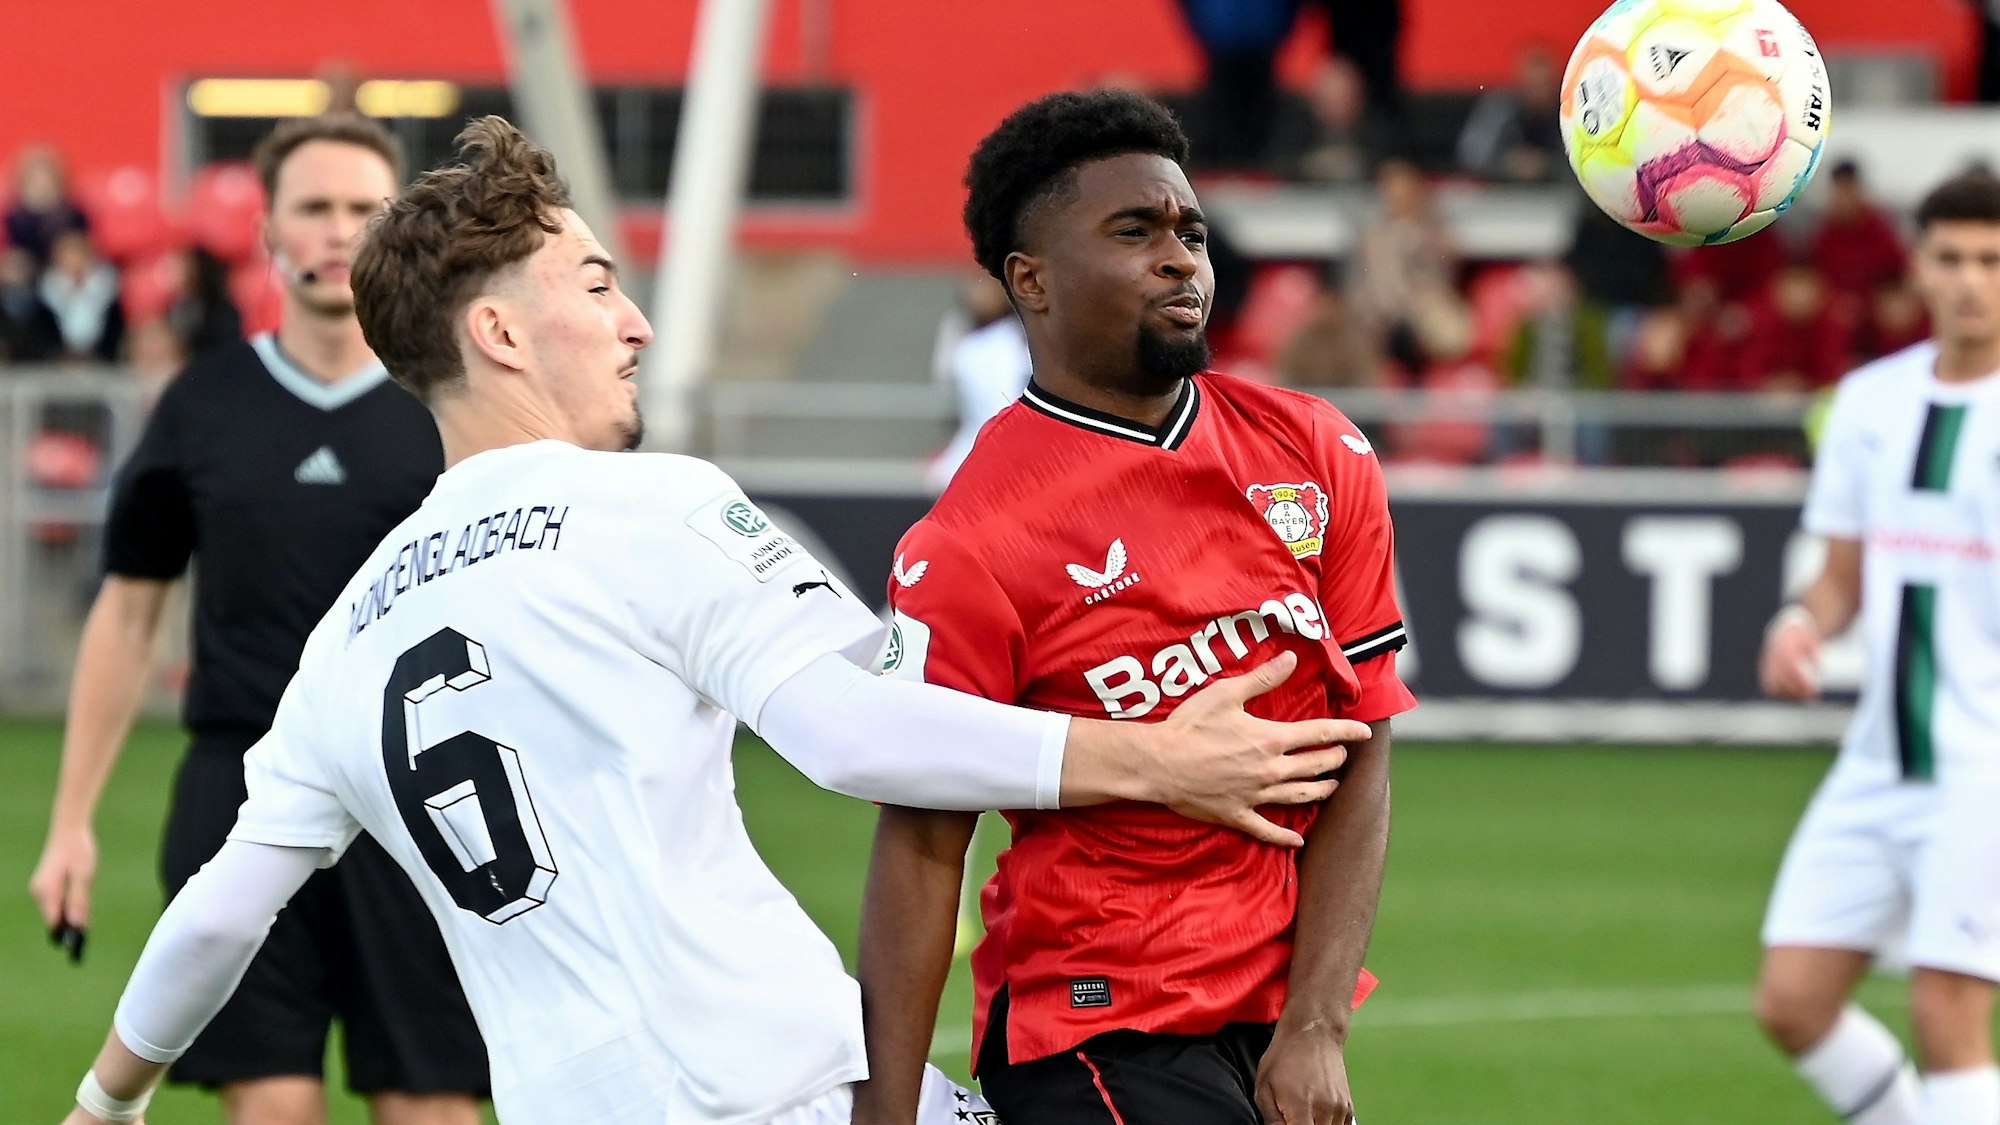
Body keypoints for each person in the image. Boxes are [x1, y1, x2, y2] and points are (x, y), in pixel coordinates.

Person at [53, 115, 1366, 1125]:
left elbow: (219, 918)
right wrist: (1158, 757)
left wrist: (106, 1097)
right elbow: (859, 735)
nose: (633, 322)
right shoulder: (645, 511)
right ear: (504, 332)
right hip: (771, 1089)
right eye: (598, 285)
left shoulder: (347, 638)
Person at [852, 90, 1411, 1125]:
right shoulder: (968, 543)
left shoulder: (1316, 453)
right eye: (1134, 231)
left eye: (1189, 232)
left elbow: (1360, 741)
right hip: (1094, 1028)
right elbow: (922, 840)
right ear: (1032, 280)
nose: (1179, 258)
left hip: (1268, 1019)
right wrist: (881, 1110)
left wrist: (1315, 1024)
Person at [29, 114, 490, 1125]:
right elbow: (128, 611)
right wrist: (70, 824)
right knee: (271, 1106)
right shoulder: (201, 405)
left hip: (416, 795)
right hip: (239, 788)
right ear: (268, 236)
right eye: (312, 209)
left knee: (432, 1107)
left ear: (396, 232)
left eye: (362, 210)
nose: (336, 232)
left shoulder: (459, 404)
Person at [1756, 172, 2000, 1125]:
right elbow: (1843, 577)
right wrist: (1800, 621)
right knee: (1793, 1002)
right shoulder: (1867, 401)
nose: (1971, 280)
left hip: (1985, 768)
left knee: (1948, 1011)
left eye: (1991, 260)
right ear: (1919, 266)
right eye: (1952, 258)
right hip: (1880, 761)